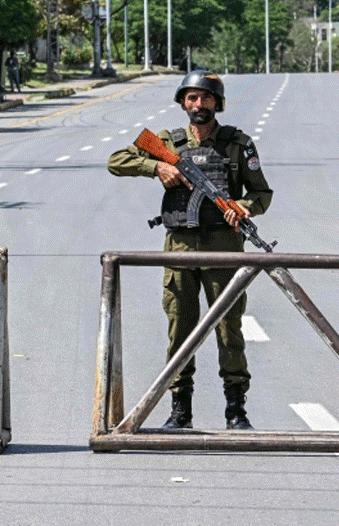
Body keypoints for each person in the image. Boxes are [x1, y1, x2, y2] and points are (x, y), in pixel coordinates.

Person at [107, 71, 273, 430]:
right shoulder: (167, 141)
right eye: (192, 98)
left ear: (218, 103)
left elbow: (262, 194)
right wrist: (157, 167)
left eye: (206, 98)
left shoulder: (237, 144)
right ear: (183, 102)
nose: (199, 105)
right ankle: (180, 409)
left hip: (224, 247)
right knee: (180, 327)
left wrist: (243, 207)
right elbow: (116, 161)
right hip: (179, 245)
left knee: (229, 328)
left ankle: (235, 409)